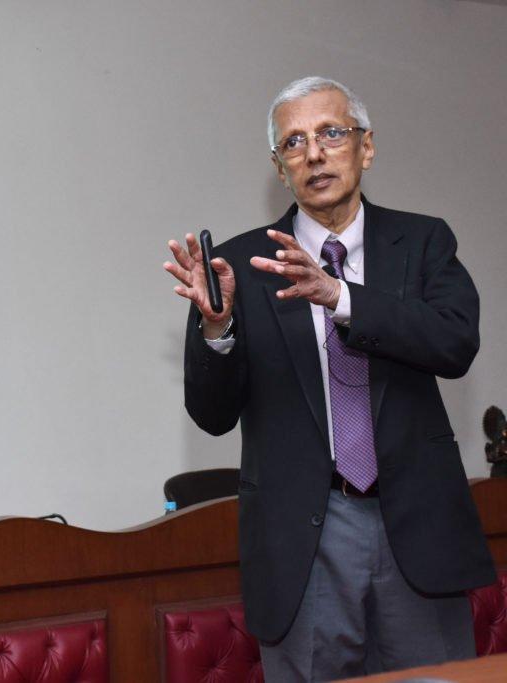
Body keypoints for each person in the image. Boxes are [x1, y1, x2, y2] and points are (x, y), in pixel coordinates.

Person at [163, 76, 495, 681]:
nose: (313, 153)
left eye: (331, 133)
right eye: (293, 143)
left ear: (365, 147)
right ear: (279, 167)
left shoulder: (422, 242)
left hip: (415, 529)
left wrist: (341, 297)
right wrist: (217, 330)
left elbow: (455, 342)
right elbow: (211, 416)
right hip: (304, 541)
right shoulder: (241, 266)